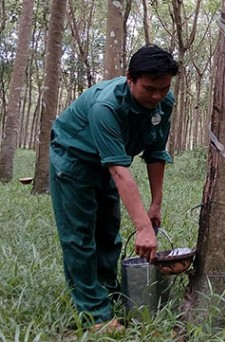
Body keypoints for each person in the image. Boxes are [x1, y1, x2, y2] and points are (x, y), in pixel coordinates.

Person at [49, 44, 179, 331]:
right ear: (130, 78)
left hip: (109, 161)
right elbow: (120, 172)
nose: (157, 96)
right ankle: (94, 315)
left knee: (109, 231)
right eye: (149, 88)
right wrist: (144, 227)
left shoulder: (164, 102)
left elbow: (156, 153)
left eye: (164, 88)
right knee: (80, 237)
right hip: (74, 159)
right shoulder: (106, 106)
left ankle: (107, 291)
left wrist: (155, 204)